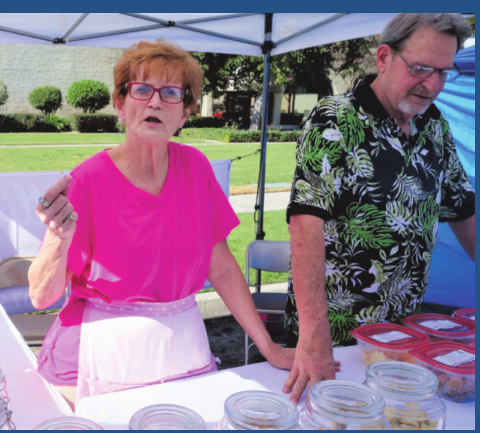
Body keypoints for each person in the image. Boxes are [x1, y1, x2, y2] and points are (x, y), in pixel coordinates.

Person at [29, 39, 296, 406]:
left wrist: (269, 346)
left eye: (170, 93)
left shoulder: (196, 168)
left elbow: (220, 267)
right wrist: (56, 239)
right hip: (96, 352)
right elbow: (41, 297)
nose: (155, 102)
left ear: (184, 113)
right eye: (142, 90)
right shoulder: (86, 181)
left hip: (180, 346)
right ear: (120, 104)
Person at [283, 13, 475, 404]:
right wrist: (314, 334)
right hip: (334, 340)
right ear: (384, 57)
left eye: (443, 72)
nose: (432, 84)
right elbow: (305, 224)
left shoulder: (435, 127)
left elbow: (463, 211)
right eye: (420, 68)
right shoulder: (336, 118)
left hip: (403, 338)